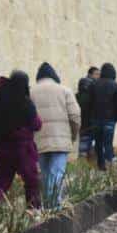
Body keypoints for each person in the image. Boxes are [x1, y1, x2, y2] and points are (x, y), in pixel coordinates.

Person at [0, 71, 42, 207]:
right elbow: (36, 124)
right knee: (31, 181)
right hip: (22, 149)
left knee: (3, 181)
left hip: (1, 148)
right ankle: (33, 211)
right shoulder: (25, 101)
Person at [31, 62, 81, 209]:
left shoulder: (31, 92)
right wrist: (72, 135)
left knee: (46, 175)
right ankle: (54, 208)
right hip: (61, 140)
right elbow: (75, 115)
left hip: (38, 141)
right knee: (57, 174)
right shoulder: (65, 90)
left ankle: (48, 206)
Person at [89, 62, 117, 169]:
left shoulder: (93, 84)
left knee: (98, 143)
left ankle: (101, 164)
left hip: (96, 118)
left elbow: (89, 102)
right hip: (110, 119)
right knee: (108, 143)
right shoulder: (116, 86)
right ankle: (109, 163)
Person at [76, 66, 98, 163]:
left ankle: (82, 169)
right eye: (97, 74)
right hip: (91, 125)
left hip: (81, 125)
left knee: (82, 150)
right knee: (92, 150)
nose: (98, 76)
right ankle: (91, 171)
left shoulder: (76, 96)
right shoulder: (94, 95)